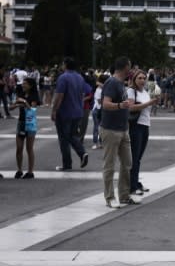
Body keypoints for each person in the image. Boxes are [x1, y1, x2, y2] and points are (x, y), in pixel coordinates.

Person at [100, 57, 141, 209]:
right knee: (109, 165)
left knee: (127, 163)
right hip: (110, 129)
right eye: (130, 67)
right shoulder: (112, 83)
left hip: (123, 129)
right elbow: (105, 104)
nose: (131, 70)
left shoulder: (121, 84)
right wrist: (119, 105)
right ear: (125, 67)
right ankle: (109, 197)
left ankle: (124, 195)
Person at [51, 57, 91, 171]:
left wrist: (54, 110)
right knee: (72, 135)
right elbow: (85, 92)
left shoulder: (63, 77)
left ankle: (67, 163)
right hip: (78, 111)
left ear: (65, 65)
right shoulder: (79, 77)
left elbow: (59, 96)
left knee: (64, 138)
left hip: (65, 111)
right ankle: (82, 153)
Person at [127, 70, 158, 196]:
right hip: (136, 126)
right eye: (139, 78)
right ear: (134, 79)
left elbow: (152, 102)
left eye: (144, 78)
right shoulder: (130, 91)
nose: (142, 80)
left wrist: (153, 100)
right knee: (134, 157)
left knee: (138, 157)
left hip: (145, 125)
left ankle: (136, 182)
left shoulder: (145, 92)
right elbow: (130, 107)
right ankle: (132, 186)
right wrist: (148, 103)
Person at [12, 77, 40, 179]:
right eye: (23, 83)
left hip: (30, 124)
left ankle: (30, 171)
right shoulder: (21, 94)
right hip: (21, 123)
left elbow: (32, 110)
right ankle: (19, 170)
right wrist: (15, 104)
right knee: (19, 148)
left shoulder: (34, 96)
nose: (23, 85)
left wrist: (24, 101)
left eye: (25, 84)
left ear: (30, 86)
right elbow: (11, 107)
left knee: (29, 148)